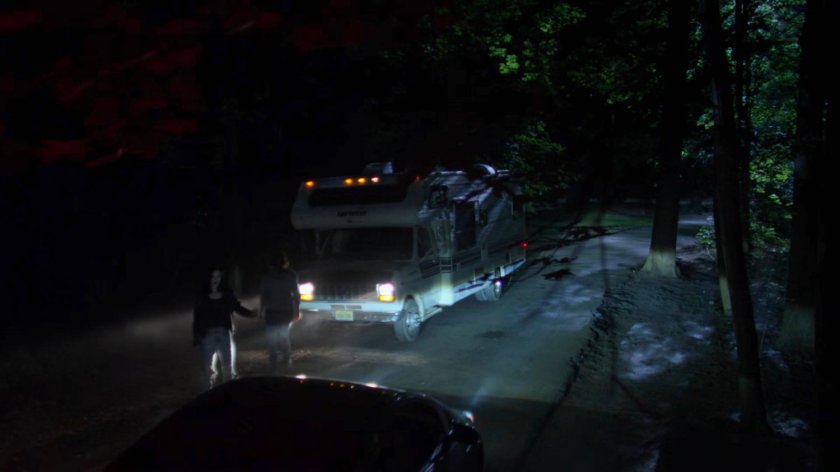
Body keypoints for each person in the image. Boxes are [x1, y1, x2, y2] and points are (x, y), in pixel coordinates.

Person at [192, 266, 256, 390]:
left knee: (227, 368)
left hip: (223, 334)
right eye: (213, 276)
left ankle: (227, 396)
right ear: (209, 278)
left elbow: (236, 307)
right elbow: (197, 316)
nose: (216, 279)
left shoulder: (227, 294)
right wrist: (196, 336)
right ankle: (206, 398)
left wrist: (250, 313)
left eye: (218, 276)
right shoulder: (202, 295)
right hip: (207, 335)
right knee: (207, 370)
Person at [259, 251, 300, 372]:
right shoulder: (291, 275)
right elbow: (296, 294)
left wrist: (261, 310)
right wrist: (297, 309)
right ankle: (287, 361)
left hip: (271, 311)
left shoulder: (266, 277)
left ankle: (273, 365)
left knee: (272, 339)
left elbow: (263, 295)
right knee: (284, 336)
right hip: (286, 311)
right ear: (285, 262)